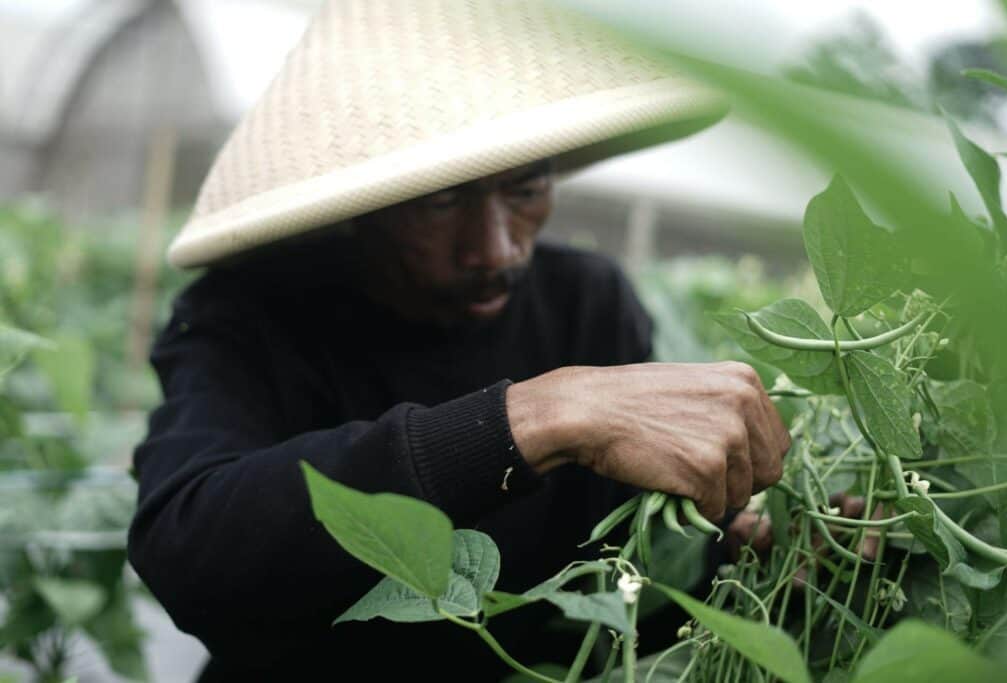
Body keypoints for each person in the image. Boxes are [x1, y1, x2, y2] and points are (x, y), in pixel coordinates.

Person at [127, 1, 791, 680]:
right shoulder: (250, 311)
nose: (496, 248)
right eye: (439, 201)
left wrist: (734, 539)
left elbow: (617, 570)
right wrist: (543, 415)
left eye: (527, 188)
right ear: (361, 201)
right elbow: (192, 549)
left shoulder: (585, 303)